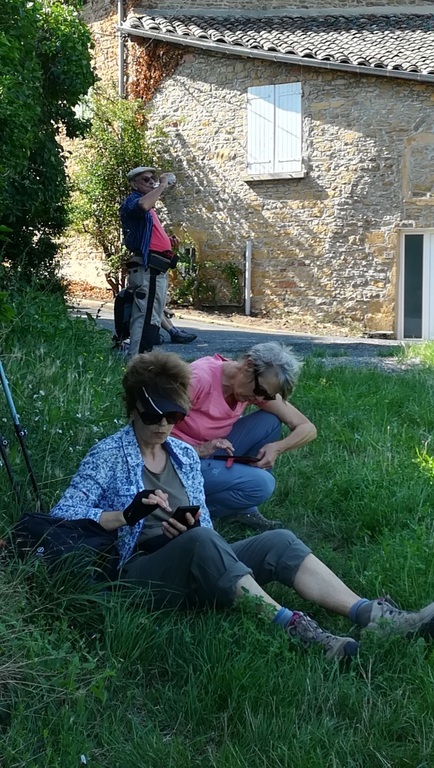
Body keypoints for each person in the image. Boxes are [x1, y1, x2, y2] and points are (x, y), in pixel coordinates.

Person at [49, 351, 434, 662]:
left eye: (175, 416)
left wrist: (189, 529)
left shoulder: (183, 454)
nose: (165, 425)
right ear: (133, 408)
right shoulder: (108, 455)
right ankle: (297, 628)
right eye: (155, 415)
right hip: (139, 573)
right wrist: (124, 516)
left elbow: (204, 524)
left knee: (279, 540)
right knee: (201, 542)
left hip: (194, 556)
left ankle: (372, 616)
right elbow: (62, 515)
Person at [171, 341, 317, 531]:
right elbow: (150, 430)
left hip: (212, 451)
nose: (260, 399)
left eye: (268, 396)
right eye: (260, 391)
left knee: (269, 421)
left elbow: (307, 428)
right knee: (263, 484)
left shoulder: (249, 384)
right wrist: (197, 450)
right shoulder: (199, 379)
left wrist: (278, 447)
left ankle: (243, 507)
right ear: (248, 365)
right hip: (177, 462)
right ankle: (191, 509)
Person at [120, 166, 178, 356]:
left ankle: (143, 360)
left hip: (156, 269)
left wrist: (167, 242)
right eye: (145, 179)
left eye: (152, 178)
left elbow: (149, 235)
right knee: (145, 318)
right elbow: (142, 206)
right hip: (148, 269)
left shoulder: (149, 208)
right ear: (134, 184)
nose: (151, 181)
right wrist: (162, 185)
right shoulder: (133, 201)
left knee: (152, 317)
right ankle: (137, 363)